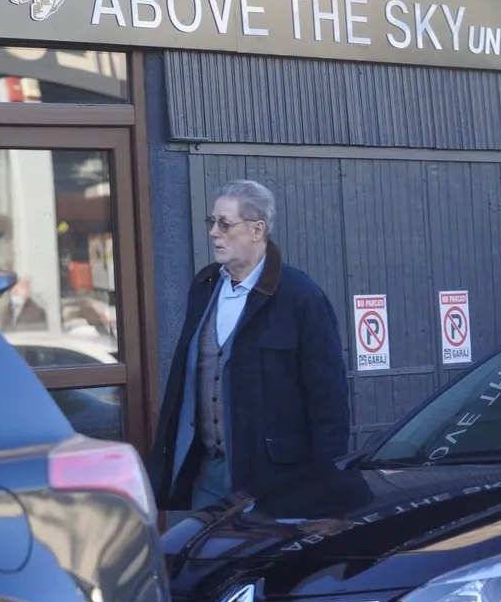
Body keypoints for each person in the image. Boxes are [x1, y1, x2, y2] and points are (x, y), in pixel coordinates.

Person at [146, 179, 350, 522]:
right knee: (203, 552)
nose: (214, 232)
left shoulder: (300, 297)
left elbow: (328, 400)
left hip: (275, 478)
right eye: (212, 221)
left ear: (257, 229)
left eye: (225, 224)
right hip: (209, 471)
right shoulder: (205, 286)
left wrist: (326, 489)